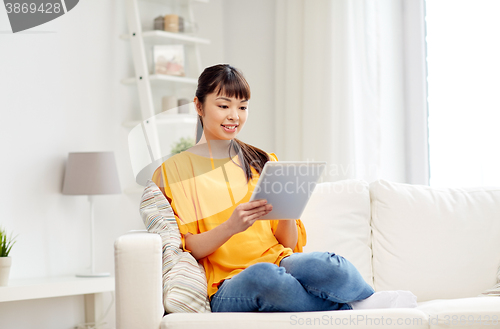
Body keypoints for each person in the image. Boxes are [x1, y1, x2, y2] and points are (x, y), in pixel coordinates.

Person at [151, 64, 417, 312]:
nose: (234, 116)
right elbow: (188, 247)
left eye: (243, 107)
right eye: (223, 105)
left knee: (327, 264)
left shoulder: (262, 161)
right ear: (198, 106)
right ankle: (357, 310)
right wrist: (231, 226)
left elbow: (289, 244)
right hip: (227, 284)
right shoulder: (173, 172)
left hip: (280, 262)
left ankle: (366, 302)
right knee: (265, 276)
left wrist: (287, 209)